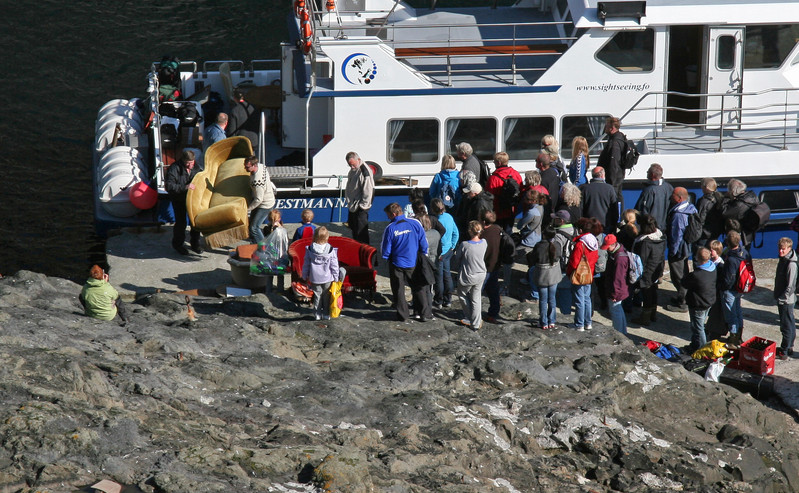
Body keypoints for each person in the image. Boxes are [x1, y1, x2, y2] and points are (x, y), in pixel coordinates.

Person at [381, 202, 429, 322]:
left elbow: (385, 249)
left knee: (398, 290)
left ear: (393, 214)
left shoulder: (390, 228)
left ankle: (403, 315)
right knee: (418, 287)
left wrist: (385, 258)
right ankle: (424, 314)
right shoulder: (415, 223)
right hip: (413, 261)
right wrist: (423, 254)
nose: (387, 217)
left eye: (388, 215)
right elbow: (423, 241)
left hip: (397, 263)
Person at [665, 187, 697, 312]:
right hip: (686, 247)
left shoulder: (679, 215)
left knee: (678, 276)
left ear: (679, 198)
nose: (671, 196)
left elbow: (676, 235)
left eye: (673, 195)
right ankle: (681, 296)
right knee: (683, 271)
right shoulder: (690, 208)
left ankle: (683, 303)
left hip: (679, 249)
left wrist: (672, 251)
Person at [631, 215, 666, 326]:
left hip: (647, 272)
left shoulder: (645, 242)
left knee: (647, 295)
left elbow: (642, 260)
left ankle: (645, 318)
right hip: (657, 269)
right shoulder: (661, 237)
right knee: (653, 292)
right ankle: (653, 314)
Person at [166, 149, 202, 255]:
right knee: (181, 223)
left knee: (195, 223)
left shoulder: (197, 168)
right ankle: (178, 245)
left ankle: (195, 244)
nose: (190, 165)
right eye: (188, 163)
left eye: (192, 162)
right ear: (183, 160)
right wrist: (185, 187)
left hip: (192, 200)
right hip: (179, 199)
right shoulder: (174, 168)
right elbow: (169, 186)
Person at [567, 217, 600, 331]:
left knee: (579, 300)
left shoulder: (580, 244)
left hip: (579, 274)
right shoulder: (594, 241)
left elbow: (574, 262)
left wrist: (569, 273)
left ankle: (579, 324)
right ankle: (588, 323)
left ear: (580, 230)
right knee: (587, 299)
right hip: (589, 273)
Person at [682, 247, 717, 352]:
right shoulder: (713, 267)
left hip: (698, 304)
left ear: (697, 258)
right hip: (709, 301)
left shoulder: (696, 275)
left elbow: (684, 283)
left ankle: (701, 350)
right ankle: (695, 345)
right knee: (698, 326)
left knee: (698, 328)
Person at [454, 220, 487, 330]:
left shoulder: (465, 245)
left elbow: (457, 259)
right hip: (481, 273)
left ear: (469, 231)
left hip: (468, 275)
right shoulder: (484, 242)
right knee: (476, 298)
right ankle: (476, 323)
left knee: (462, 294)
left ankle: (470, 317)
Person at [301, 226, 340, 321]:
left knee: (317, 295)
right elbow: (334, 264)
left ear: (314, 236)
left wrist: (304, 275)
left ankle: (317, 314)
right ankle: (326, 314)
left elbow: (306, 263)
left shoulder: (310, 248)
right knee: (326, 296)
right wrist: (336, 276)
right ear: (327, 237)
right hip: (327, 277)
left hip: (315, 277)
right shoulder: (330, 249)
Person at [719, 231, 750, 345]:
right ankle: (739, 336)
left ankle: (733, 339)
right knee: (738, 312)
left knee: (731, 315)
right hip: (740, 287)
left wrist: (722, 287)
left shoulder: (731, 259)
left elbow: (728, 278)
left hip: (730, 290)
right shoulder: (744, 253)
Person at [529, 227, 561, 329]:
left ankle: (544, 322)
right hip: (554, 275)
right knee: (552, 299)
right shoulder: (557, 245)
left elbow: (533, 259)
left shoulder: (539, 246)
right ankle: (552, 321)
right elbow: (559, 256)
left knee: (543, 300)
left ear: (544, 235)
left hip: (542, 276)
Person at [517, 190, 544, 301]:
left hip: (528, 240)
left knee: (512, 257)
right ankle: (529, 279)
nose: (525, 201)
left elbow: (520, 225)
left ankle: (534, 293)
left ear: (532, 200)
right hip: (537, 237)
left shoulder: (531, 212)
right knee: (532, 263)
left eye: (527, 199)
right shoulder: (541, 208)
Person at [431, 198, 459, 308]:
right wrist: (452, 246)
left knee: (439, 277)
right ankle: (448, 299)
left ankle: (438, 300)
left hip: (440, 252)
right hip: (448, 251)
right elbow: (456, 233)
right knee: (447, 275)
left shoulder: (435, 221)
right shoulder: (449, 217)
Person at [600, 234, 630, 334]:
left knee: (615, 312)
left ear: (613, 245)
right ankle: (622, 331)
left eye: (607, 247)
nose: (606, 249)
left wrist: (614, 294)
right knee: (619, 310)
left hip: (617, 291)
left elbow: (618, 279)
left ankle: (619, 333)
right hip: (619, 290)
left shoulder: (619, 258)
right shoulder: (618, 253)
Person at [486, 151, 523, 232]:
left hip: (498, 211)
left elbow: (489, 196)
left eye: (494, 161)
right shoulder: (516, 174)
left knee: (497, 232)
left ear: (498, 163)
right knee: (509, 232)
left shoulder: (493, 178)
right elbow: (521, 190)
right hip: (512, 209)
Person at [244, 155, 276, 244]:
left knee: (254, 228)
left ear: (254, 166)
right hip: (268, 199)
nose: (245, 168)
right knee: (252, 225)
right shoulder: (262, 166)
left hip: (265, 205)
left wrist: (248, 209)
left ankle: (264, 247)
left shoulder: (257, 182)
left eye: (247, 167)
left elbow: (258, 199)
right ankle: (254, 242)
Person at [774, 237, 797, 360]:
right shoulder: (785, 259)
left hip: (786, 300)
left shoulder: (791, 264)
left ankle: (784, 350)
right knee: (790, 323)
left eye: (783, 249)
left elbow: (790, 286)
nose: (780, 251)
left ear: (789, 248)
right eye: (779, 249)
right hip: (784, 298)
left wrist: (782, 299)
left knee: (786, 326)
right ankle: (789, 346)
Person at [345, 151, 375, 245]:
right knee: (354, 230)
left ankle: (365, 253)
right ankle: (357, 249)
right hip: (353, 205)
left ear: (358, 160)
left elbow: (369, 190)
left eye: (353, 165)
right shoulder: (354, 169)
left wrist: (363, 207)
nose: (352, 167)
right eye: (350, 165)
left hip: (360, 207)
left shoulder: (364, 171)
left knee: (361, 233)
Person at [597, 116, 627, 208]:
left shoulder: (615, 142)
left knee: (615, 198)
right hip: (618, 175)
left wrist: (611, 181)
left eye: (606, 126)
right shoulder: (619, 137)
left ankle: (616, 218)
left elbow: (614, 162)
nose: (605, 128)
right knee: (618, 196)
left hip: (614, 177)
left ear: (612, 128)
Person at [413, 214, 439, 320]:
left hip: (420, 263)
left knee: (418, 289)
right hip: (432, 262)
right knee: (428, 290)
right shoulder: (436, 233)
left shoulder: (419, 235)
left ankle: (418, 311)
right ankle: (429, 310)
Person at [721, 178, 759, 248]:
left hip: (742, 236)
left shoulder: (740, 204)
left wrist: (726, 198)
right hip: (749, 234)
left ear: (733, 191)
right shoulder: (751, 197)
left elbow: (725, 212)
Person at [480, 211, 503, 324]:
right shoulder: (498, 230)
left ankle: (474, 314)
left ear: (483, 221)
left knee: (477, 291)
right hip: (495, 265)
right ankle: (493, 313)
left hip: (485, 266)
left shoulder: (483, 234)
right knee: (493, 291)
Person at [634, 164, 673, 231]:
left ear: (652, 174)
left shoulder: (649, 190)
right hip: (665, 228)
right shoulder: (669, 187)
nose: (646, 173)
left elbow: (642, 210)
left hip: (651, 228)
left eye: (648, 172)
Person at [551, 210, 576, 315]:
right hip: (573, 265)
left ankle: (565, 316)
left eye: (555, 218)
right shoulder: (575, 230)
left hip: (562, 267)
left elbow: (556, 253)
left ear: (561, 221)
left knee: (563, 292)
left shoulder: (558, 235)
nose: (553, 220)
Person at [579, 166, 616, 233]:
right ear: (602, 175)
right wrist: (614, 224)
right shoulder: (609, 188)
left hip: (589, 225)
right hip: (605, 225)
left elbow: (580, 208)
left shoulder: (584, 189)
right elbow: (614, 208)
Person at [694, 177, 725, 248]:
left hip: (705, 234)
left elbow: (700, 219)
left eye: (702, 185)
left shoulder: (704, 201)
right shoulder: (719, 197)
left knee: (700, 251)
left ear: (706, 187)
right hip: (715, 232)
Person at [226, 89, 260, 154]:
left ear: (234, 98)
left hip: (241, 142)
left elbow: (231, 130)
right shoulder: (254, 108)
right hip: (253, 140)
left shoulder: (234, 110)